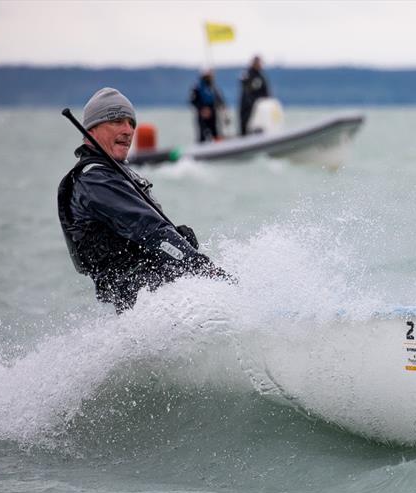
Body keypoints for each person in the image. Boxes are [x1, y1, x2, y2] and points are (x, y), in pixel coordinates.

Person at [58, 87, 231, 313]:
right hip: (143, 300)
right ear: (92, 129)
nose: (128, 130)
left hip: (151, 297)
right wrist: (200, 267)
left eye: (131, 123)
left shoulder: (113, 173)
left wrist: (181, 243)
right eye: (117, 121)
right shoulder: (96, 181)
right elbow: (150, 231)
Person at [190, 70, 226, 142]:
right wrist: (202, 109)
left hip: (212, 112)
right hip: (202, 113)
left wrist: (224, 112)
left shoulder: (213, 87)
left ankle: (217, 147)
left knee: (215, 131)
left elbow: (220, 100)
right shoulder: (197, 87)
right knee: (203, 134)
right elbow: (193, 101)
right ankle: (201, 148)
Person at [238, 55, 271, 136]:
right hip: (247, 107)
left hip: (259, 108)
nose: (259, 65)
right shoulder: (247, 75)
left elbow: (267, 93)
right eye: (257, 63)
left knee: (259, 128)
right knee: (245, 127)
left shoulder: (261, 77)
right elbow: (244, 87)